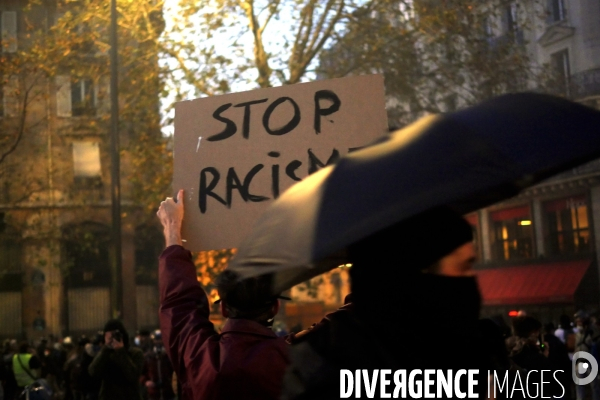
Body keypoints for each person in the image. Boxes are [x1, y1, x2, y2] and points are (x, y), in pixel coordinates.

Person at [281, 207, 489, 399]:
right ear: (418, 275)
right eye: (464, 267)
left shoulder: (478, 349)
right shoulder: (327, 369)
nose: (472, 278)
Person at [156, 189, 290, 400]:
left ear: (224, 308)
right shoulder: (297, 362)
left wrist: (172, 229)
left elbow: (179, 306)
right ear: (275, 307)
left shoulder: (201, 359)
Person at [88, 319, 144, 400]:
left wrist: (120, 351)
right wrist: (106, 347)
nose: (113, 338)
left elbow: (133, 375)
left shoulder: (135, 353)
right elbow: (93, 371)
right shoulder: (105, 354)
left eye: (116, 335)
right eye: (110, 335)